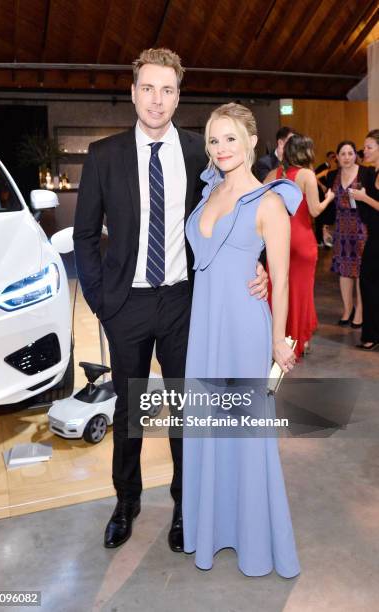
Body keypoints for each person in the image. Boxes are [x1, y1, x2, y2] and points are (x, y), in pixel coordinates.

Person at [73, 49, 268, 553]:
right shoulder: (104, 155)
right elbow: (86, 235)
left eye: (168, 90)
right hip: (126, 305)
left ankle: (187, 504)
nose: (157, 100)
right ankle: (127, 500)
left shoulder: (197, 152)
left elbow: (237, 211)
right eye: (148, 88)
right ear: (134, 91)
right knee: (131, 411)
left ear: (179, 96)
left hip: (187, 303)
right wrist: (101, 302)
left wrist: (259, 264)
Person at [183, 103, 301, 578]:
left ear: (253, 141)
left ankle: (255, 541)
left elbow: (283, 277)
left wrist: (279, 341)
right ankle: (213, 531)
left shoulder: (270, 200)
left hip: (244, 330)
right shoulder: (208, 189)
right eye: (213, 140)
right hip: (203, 327)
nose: (221, 149)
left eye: (231, 138)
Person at [264, 134, 335, 357]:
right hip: (302, 240)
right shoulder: (306, 175)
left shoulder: (272, 174)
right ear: (306, 152)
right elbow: (314, 210)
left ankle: (276, 340)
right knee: (300, 292)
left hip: (277, 239)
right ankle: (298, 341)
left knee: (277, 289)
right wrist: (330, 198)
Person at [326, 141, 369, 328]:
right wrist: (325, 226)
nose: (346, 157)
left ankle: (360, 311)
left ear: (355, 155)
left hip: (361, 228)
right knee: (344, 272)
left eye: (350, 153)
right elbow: (328, 203)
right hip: (341, 229)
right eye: (342, 154)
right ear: (337, 157)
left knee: (360, 271)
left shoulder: (365, 173)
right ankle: (347, 309)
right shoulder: (332, 175)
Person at [349, 129, 379, 350]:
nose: (364, 150)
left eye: (369, 147)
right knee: (369, 283)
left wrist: (364, 198)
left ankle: (371, 335)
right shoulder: (372, 172)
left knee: (368, 283)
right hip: (375, 236)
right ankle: (372, 333)